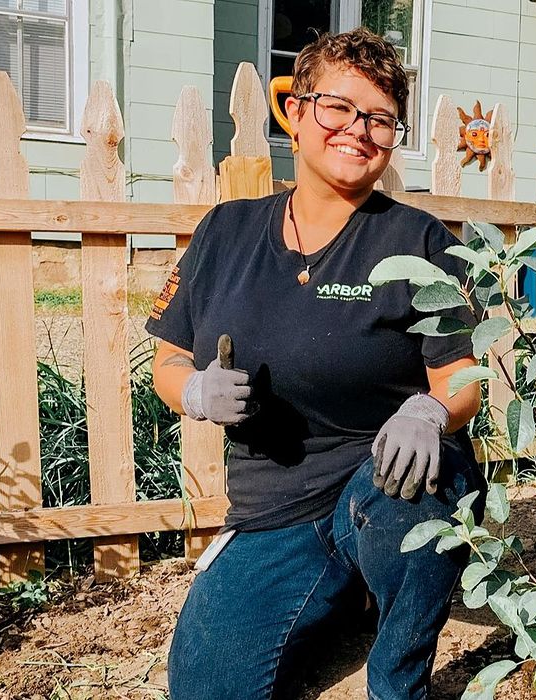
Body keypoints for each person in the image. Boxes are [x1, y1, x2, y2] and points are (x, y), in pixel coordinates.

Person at [146, 28, 483, 700]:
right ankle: (342, 593)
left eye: (380, 118)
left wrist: (427, 410)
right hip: (275, 509)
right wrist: (196, 392)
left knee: (418, 477)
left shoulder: (417, 240)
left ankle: (397, 672)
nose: (358, 130)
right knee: (205, 687)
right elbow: (167, 361)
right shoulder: (226, 231)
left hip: (383, 487)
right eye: (338, 107)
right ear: (295, 112)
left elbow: (460, 384)